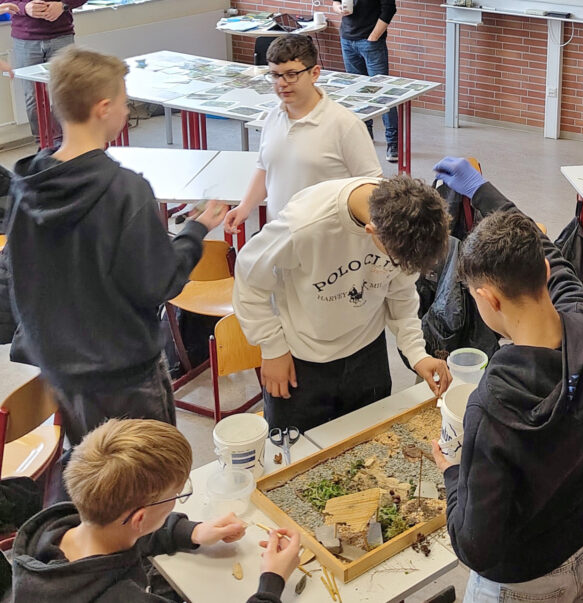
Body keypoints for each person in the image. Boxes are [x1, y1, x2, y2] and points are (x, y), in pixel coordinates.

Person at [6, 46, 226, 450]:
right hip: (125, 374)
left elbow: (16, 277)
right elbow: (161, 283)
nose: (127, 110)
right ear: (104, 108)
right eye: (125, 102)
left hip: (62, 371)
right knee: (149, 474)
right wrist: (196, 231)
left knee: (95, 469)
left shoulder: (26, 187)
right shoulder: (126, 191)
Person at [430, 157, 583, 602]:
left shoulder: (491, 403)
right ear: (545, 273)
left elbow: (475, 546)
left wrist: (453, 476)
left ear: (488, 299)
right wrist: (481, 190)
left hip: (523, 584)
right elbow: (546, 249)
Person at [232, 174, 452, 432]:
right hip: (302, 359)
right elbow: (249, 276)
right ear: (370, 232)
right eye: (395, 262)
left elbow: (402, 296)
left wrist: (417, 354)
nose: (398, 268)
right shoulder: (305, 224)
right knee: (294, 449)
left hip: (367, 353)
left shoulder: (408, 227)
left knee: (370, 440)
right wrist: (272, 348)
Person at [11, 419, 303, 602]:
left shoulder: (57, 530)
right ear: (139, 518)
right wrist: (272, 580)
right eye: (177, 495)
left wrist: (192, 532)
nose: (177, 500)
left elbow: (123, 533)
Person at [223, 34, 381, 232]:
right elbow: (265, 169)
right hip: (280, 236)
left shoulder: (345, 124)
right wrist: (245, 207)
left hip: (327, 240)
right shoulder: (273, 117)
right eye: (275, 75)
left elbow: (372, 186)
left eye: (291, 74)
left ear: (314, 73)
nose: (282, 83)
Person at [9, 0, 88, 143]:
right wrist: (24, 8)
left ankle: (68, 142)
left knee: (66, 93)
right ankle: (44, 143)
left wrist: (63, 5)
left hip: (62, 36)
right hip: (25, 40)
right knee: (33, 97)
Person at [332, 0, 399, 163]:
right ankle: (365, 133)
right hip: (347, 39)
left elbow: (389, 9)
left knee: (384, 93)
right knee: (358, 92)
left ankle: (393, 142)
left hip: (371, 42)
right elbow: (335, 2)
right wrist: (339, 9)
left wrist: (373, 37)